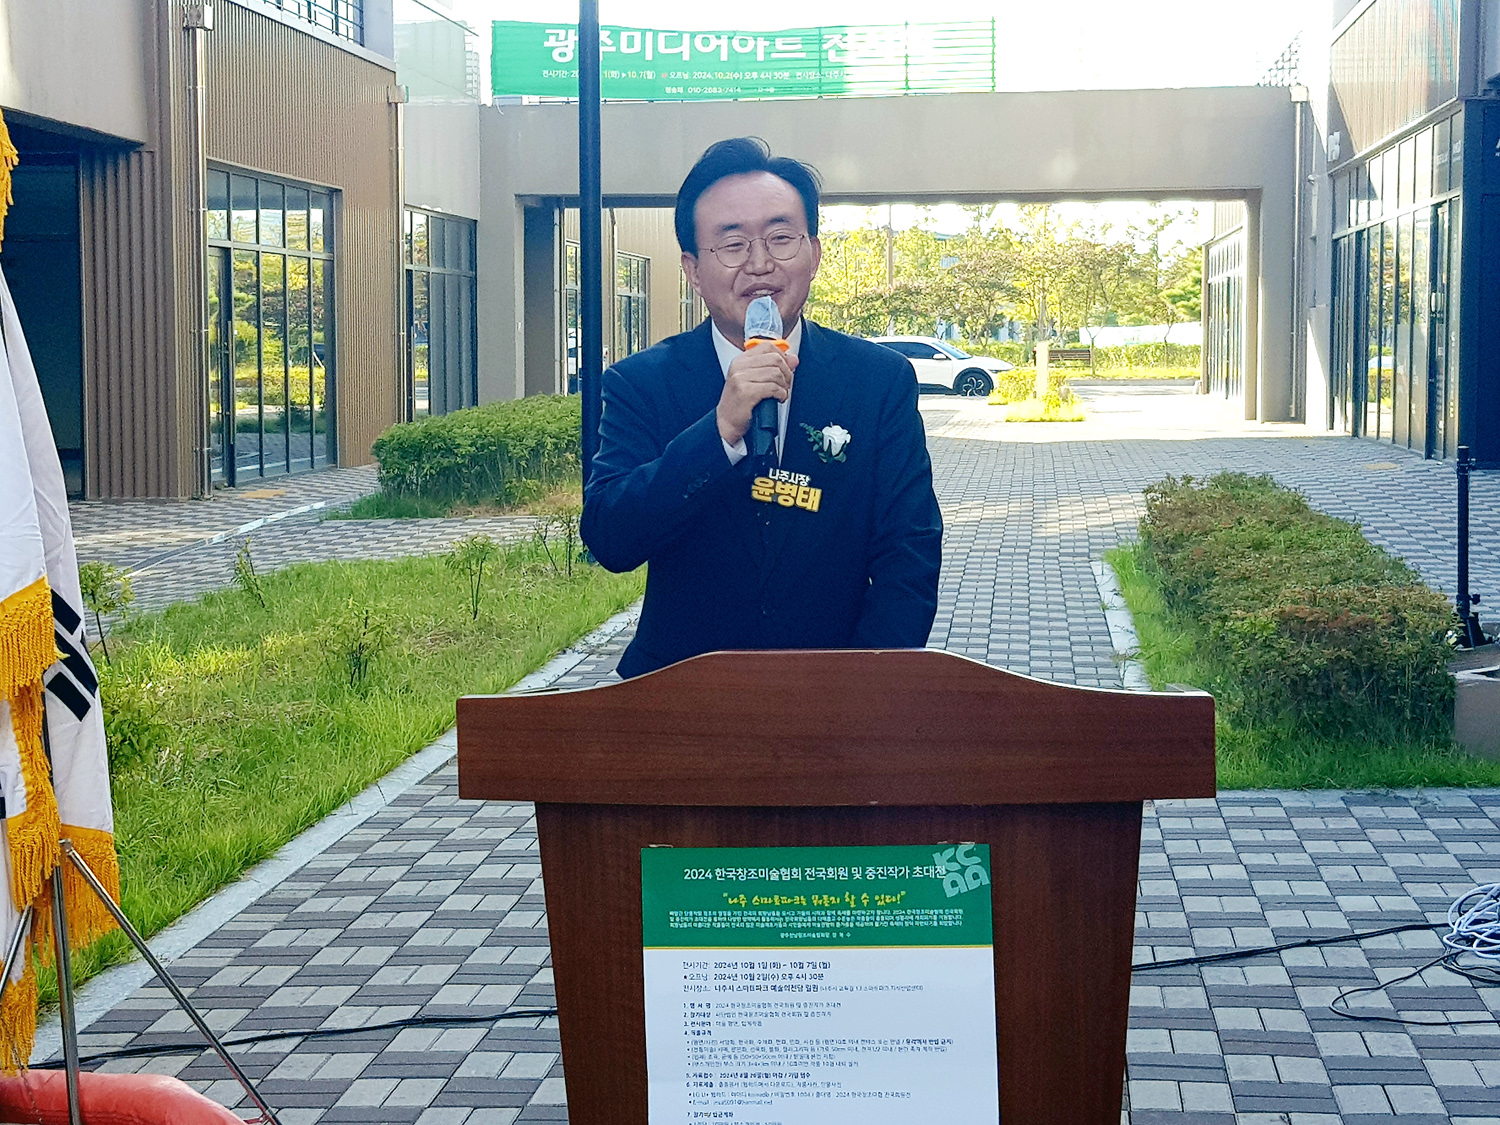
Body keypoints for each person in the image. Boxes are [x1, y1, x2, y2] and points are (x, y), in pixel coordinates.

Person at [581, 137, 942, 679]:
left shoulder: (878, 381)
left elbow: (909, 552)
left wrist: (867, 686)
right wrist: (720, 429)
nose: (759, 263)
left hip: (838, 694)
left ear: (814, 254)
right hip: (678, 695)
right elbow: (612, 537)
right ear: (693, 269)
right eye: (732, 245)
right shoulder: (641, 385)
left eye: (780, 238)